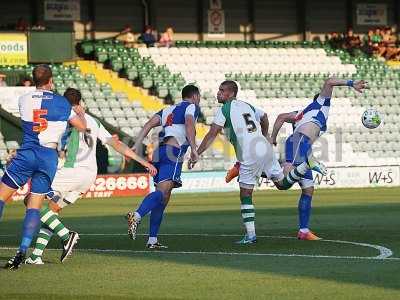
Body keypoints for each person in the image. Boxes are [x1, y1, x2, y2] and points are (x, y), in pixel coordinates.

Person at [224, 78, 368, 241]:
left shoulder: (301, 113)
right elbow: (329, 82)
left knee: (308, 190)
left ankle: (304, 230)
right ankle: (241, 167)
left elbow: (280, 117)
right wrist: (351, 83)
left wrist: (273, 137)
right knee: (283, 182)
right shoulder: (320, 105)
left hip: (303, 147)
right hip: (298, 144)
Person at [25, 88, 157, 265]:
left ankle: (66, 235)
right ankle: (36, 256)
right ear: (80, 103)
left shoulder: (64, 117)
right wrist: (144, 161)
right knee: (53, 210)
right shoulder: (94, 122)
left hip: (71, 172)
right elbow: (116, 144)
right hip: (89, 177)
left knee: (30, 200)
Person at [190, 81, 327, 244]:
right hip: (263, 147)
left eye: (222, 90)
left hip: (249, 152)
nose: (218, 93)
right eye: (219, 90)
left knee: (245, 193)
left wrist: (196, 153)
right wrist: (264, 136)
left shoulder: (224, 109)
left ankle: (250, 235)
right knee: (282, 183)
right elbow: (264, 117)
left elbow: (212, 134)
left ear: (231, 94)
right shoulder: (247, 105)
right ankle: (307, 165)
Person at [0, 64, 87, 270]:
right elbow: (82, 127)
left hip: (28, 151)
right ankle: (22, 250)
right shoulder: (63, 103)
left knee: (2, 197)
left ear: (35, 79)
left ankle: (22, 250)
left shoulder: (24, 99)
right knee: (34, 206)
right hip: (48, 156)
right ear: (51, 81)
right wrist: (78, 112)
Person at [126, 84, 200, 249]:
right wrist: (194, 150)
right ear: (195, 96)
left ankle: (152, 240)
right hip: (174, 152)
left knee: (163, 198)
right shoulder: (192, 107)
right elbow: (189, 124)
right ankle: (136, 216)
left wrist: (137, 144)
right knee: (162, 193)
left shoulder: (168, 109)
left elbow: (149, 124)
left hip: (160, 152)